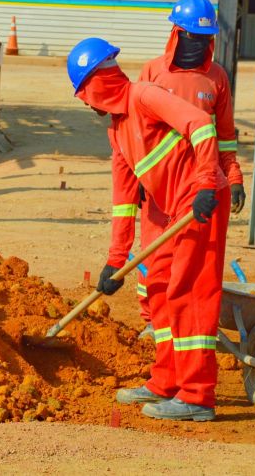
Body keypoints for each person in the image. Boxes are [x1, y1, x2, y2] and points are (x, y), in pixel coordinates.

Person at [68, 37, 230, 422]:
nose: (88, 104)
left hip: (201, 201)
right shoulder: (118, 132)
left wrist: (208, 182)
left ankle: (197, 395)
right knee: (157, 285)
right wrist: (113, 263)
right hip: (175, 210)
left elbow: (202, 125)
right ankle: (166, 381)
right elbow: (124, 201)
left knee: (188, 292)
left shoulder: (144, 96)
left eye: (84, 95)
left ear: (95, 86)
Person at [100, 0, 245, 339]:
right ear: (176, 34)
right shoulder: (152, 72)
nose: (195, 45)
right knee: (155, 262)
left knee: (191, 268)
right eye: (190, 37)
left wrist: (233, 176)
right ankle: (154, 322)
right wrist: (137, 179)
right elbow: (137, 128)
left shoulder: (217, 79)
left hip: (199, 186)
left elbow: (223, 136)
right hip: (157, 188)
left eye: (203, 39)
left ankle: (183, 334)